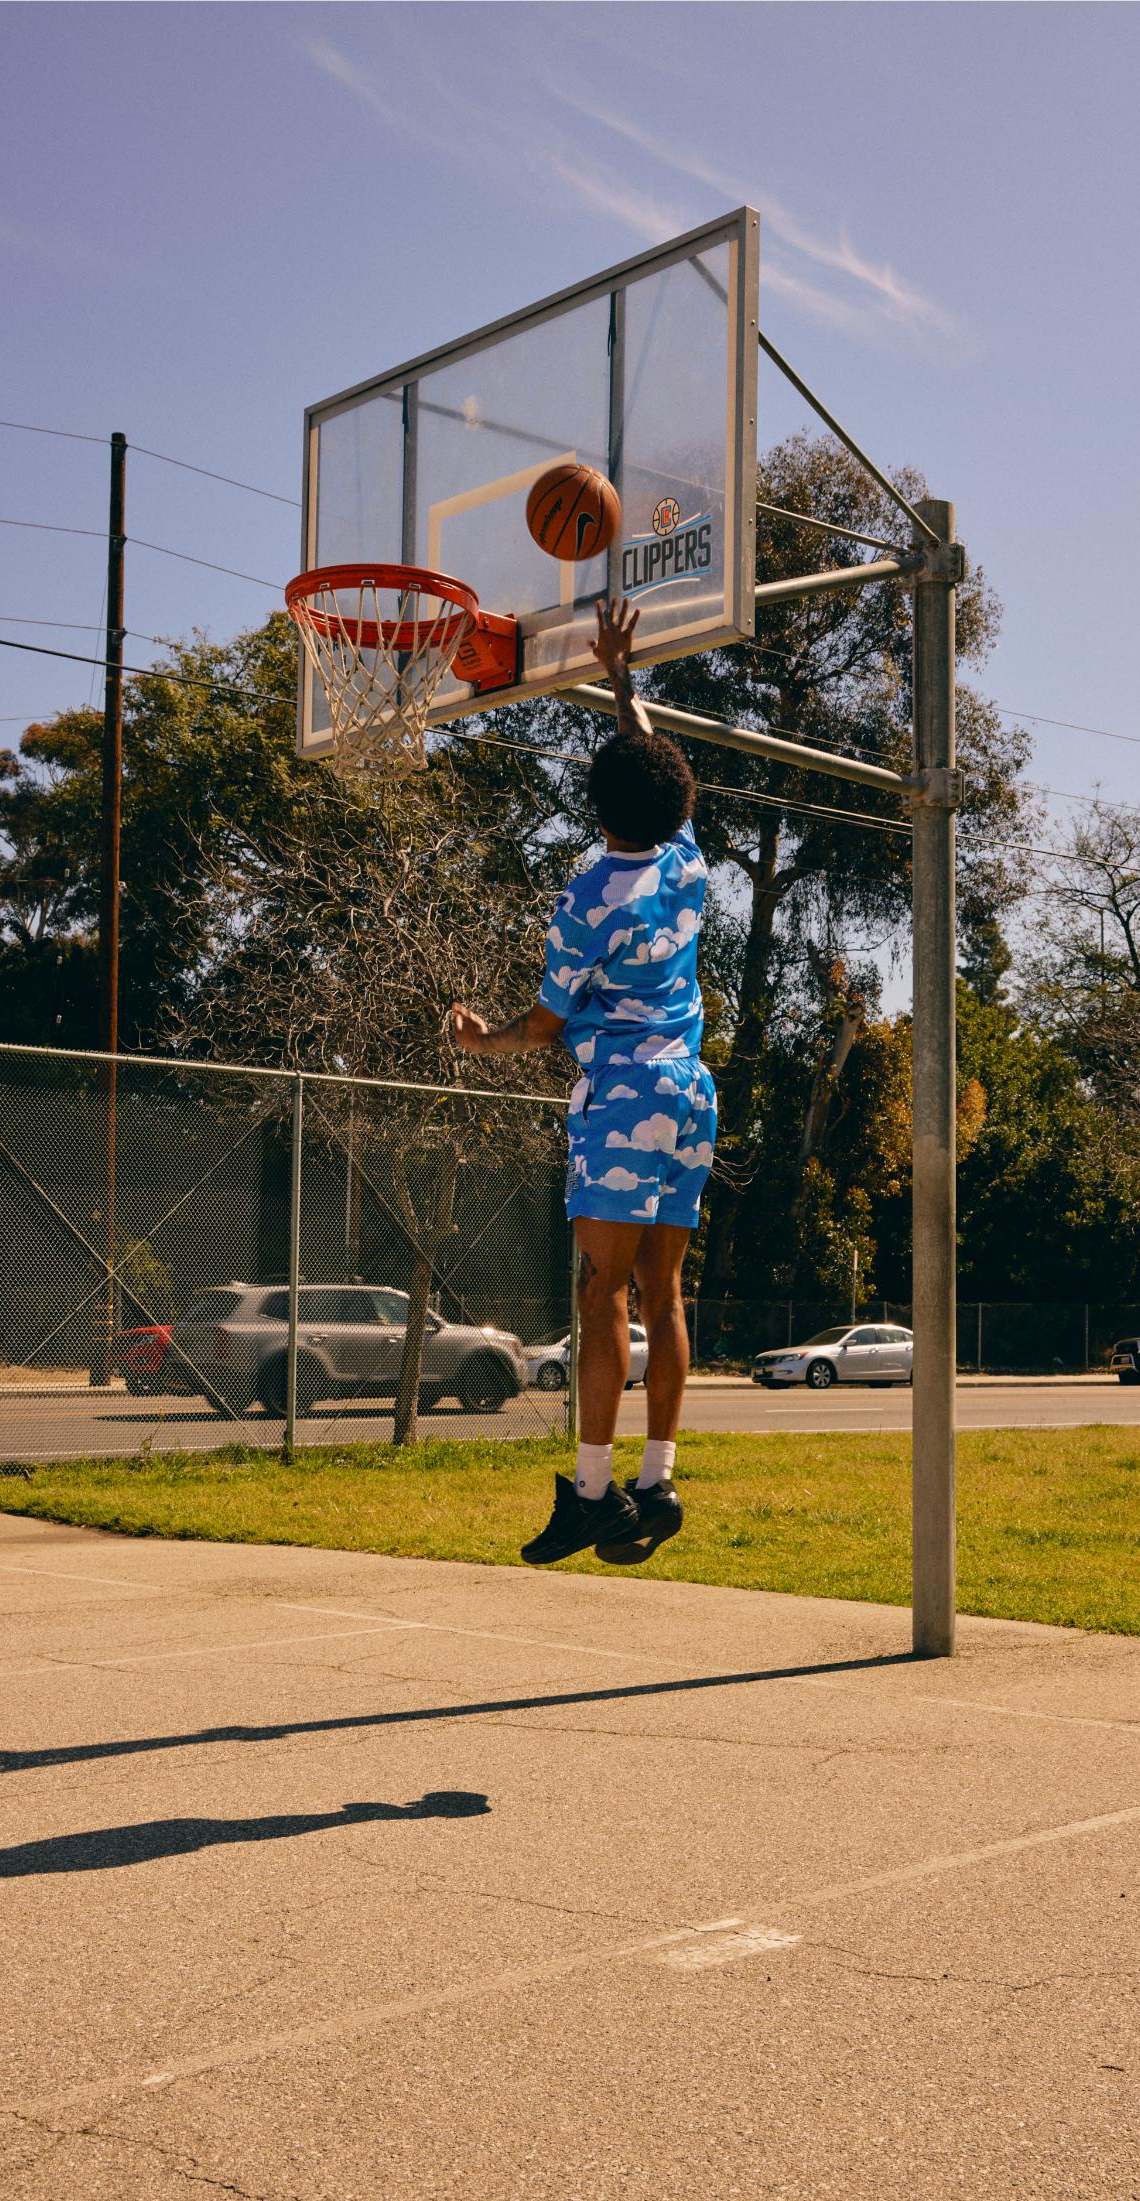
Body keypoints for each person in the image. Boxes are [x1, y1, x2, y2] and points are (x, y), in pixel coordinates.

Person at [450, 598, 715, 1567]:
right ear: (674, 804)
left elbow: (547, 1025)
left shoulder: (587, 895)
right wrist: (623, 678)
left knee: (599, 1291)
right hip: (691, 1092)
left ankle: (596, 1494)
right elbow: (655, 774)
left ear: (598, 808)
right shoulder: (688, 863)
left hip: (624, 1100)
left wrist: (483, 1044)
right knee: (663, 1290)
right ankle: (657, 1481)